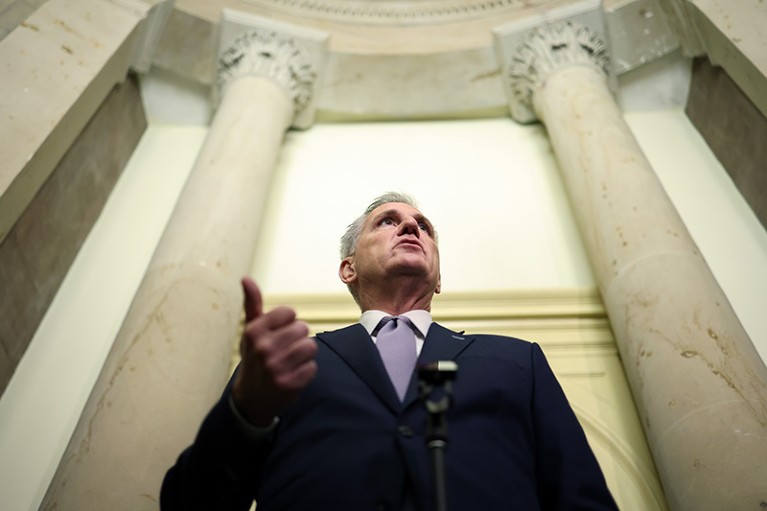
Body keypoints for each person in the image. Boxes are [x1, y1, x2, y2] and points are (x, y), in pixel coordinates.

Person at [161, 192, 618, 510]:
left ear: (438, 278)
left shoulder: (519, 362)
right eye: (388, 221)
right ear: (348, 268)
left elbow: (581, 498)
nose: (410, 227)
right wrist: (244, 414)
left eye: (423, 227)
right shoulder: (283, 365)